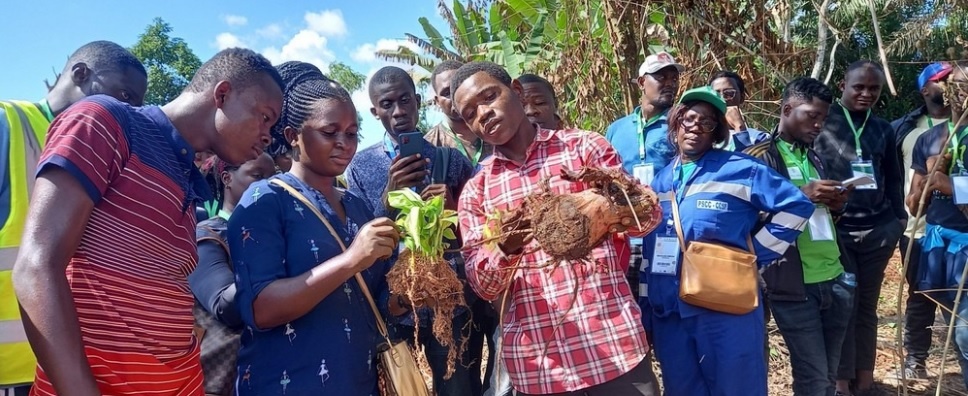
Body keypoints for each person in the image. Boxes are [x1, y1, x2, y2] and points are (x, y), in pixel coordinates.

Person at [11, 47, 284, 396]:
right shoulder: (106, 121)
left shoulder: (187, 179)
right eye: (264, 117)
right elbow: (36, 266)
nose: (266, 136)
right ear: (222, 94)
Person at [455, 61, 661, 396]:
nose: (483, 113)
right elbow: (483, 285)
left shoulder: (583, 148)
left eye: (489, 96)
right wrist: (507, 245)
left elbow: (648, 218)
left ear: (517, 91)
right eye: (469, 113)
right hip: (541, 367)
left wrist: (607, 205)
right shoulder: (476, 191)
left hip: (614, 348)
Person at [228, 61, 402, 395]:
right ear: (293, 136)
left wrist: (407, 295)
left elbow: (374, 300)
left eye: (352, 134)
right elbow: (260, 308)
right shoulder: (265, 200)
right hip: (290, 383)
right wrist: (351, 259)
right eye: (329, 132)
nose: (344, 143)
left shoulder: (356, 205)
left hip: (357, 382)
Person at [642, 87, 812, 396]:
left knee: (737, 388)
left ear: (716, 132)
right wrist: (648, 308)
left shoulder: (741, 170)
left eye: (706, 122)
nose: (695, 126)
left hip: (725, 308)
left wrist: (755, 255)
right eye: (688, 118)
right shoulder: (660, 180)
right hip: (670, 312)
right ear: (676, 124)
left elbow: (797, 206)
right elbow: (651, 247)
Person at [0, 40, 146, 396]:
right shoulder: (9, 123)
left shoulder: (113, 154)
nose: (127, 112)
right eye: (122, 95)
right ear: (80, 74)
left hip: (64, 371)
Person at [346, 65, 477, 395]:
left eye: (405, 100)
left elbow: (472, 235)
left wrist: (451, 213)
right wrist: (389, 195)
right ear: (374, 111)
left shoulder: (451, 160)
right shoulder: (361, 166)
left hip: (445, 300)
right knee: (400, 388)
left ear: (418, 102)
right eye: (387, 104)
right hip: (393, 303)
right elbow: (361, 238)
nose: (399, 111)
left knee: (457, 388)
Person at [745, 77, 856, 396]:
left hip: (834, 277)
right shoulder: (758, 157)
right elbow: (748, 214)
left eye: (823, 117)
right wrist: (802, 194)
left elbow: (820, 215)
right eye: (812, 115)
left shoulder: (815, 156)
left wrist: (837, 204)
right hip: (794, 283)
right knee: (812, 377)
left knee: (828, 375)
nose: (819, 124)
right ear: (787, 109)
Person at [812, 60, 907, 396]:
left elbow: (894, 178)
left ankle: (865, 380)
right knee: (842, 305)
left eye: (873, 89)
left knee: (866, 305)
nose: (866, 94)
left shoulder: (883, 128)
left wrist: (899, 221)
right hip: (837, 231)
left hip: (879, 231)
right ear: (843, 84)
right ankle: (840, 383)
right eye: (859, 87)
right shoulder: (822, 122)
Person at [189, 153, 275, 396]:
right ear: (227, 178)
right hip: (227, 379)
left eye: (273, 178)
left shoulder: (277, 234)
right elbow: (225, 307)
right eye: (257, 176)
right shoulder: (207, 235)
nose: (266, 185)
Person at [906, 61, 968, 390]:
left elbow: (948, 186)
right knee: (954, 325)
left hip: (966, 244)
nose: (959, 92)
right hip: (938, 243)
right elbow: (914, 206)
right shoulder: (929, 139)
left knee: (965, 331)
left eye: (965, 85)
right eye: (953, 85)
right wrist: (926, 183)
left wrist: (950, 184)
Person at [890, 62, 953, 380]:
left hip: (957, 231)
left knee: (957, 299)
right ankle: (916, 360)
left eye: (951, 78)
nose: (949, 84)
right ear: (925, 89)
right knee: (921, 294)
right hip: (917, 229)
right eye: (940, 80)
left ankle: (958, 351)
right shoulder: (905, 129)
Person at [606, 52, 682, 303]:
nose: (670, 83)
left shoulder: (681, 125)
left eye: (674, 77)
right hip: (628, 235)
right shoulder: (617, 129)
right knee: (630, 302)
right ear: (641, 82)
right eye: (661, 76)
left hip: (668, 234)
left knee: (664, 304)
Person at [425, 60, 494, 169]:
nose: (455, 98)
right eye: (447, 93)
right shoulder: (430, 144)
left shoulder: (495, 128)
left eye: (459, 88)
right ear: (437, 101)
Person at [709, 70, 770, 151]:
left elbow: (750, 163)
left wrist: (740, 128)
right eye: (716, 94)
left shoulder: (759, 138)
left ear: (741, 98)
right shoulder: (700, 138)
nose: (722, 99)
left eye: (729, 94)